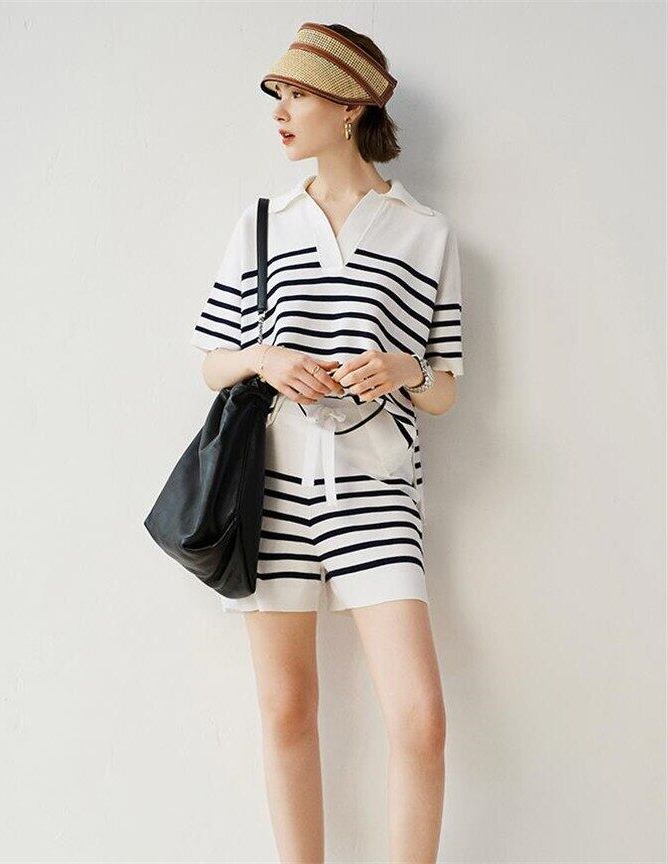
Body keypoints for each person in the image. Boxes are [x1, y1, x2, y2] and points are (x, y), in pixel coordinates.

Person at [190, 21, 464, 864]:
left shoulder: (424, 231)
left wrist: (404, 369)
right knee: (287, 711)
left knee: (419, 719)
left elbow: (445, 388)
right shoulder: (262, 224)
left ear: (350, 108)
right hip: (270, 493)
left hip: (377, 491)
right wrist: (265, 358)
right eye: (278, 94)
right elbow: (211, 363)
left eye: (299, 93)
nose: (280, 109)